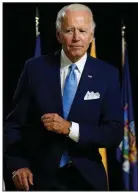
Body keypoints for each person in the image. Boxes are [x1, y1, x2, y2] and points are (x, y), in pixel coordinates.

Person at [4, 3, 123, 191]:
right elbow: (13, 126)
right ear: (59, 34)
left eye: (83, 31)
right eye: (69, 30)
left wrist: (70, 129)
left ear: (92, 35)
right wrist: (18, 164)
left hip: (88, 181)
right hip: (40, 179)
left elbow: (114, 133)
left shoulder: (107, 74)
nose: (76, 38)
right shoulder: (35, 69)